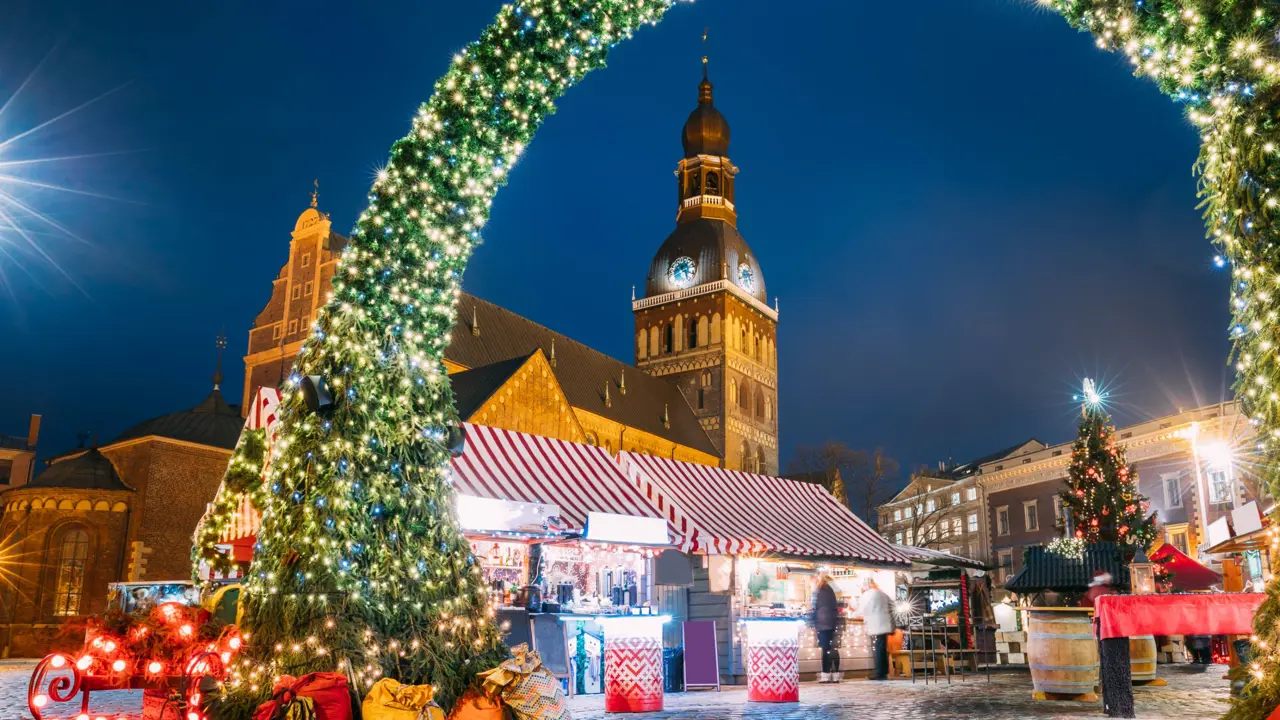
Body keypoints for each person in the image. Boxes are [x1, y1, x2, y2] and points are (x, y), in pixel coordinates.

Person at [856, 577, 893, 681]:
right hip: (885, 624)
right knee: (882, 648)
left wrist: (855, 612)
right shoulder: (883, 594)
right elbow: (892, 606)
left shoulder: (867, 595)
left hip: (875, 625)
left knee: (877, 649)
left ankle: (880, 673)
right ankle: (884, 672)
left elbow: (860, 610)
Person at [811, 573, 841, 683]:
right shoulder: (832, 591)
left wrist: (811, 621)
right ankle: (836, 674)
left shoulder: (817, 591)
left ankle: (825, 674)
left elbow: (813, 607)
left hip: (822, 623)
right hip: (833, 622)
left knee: (825, 649)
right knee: (833, 648)